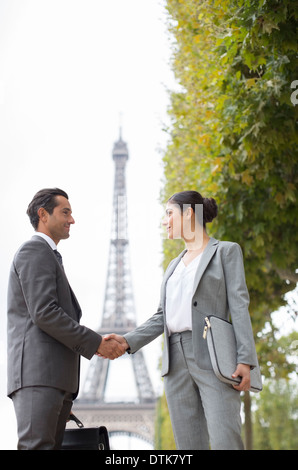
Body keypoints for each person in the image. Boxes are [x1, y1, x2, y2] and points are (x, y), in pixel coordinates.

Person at [104, 190, 259, 450]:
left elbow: (239, 305)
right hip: (175, 362)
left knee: (226, 441)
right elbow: (162, 316)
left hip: (213, 355)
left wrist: (245, 359)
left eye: (169, 214)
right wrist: (127, 341)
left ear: (188, 214)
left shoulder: (225, 252)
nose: (165, 221)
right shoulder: (173, 266)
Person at [7, 188, 126, 450]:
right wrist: (96, 343)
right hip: (40, 376)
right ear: (43, 215)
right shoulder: (34, 250)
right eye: (65, 212)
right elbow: (45, 313)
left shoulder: (48, 255)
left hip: (53, 378)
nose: (72, 220)